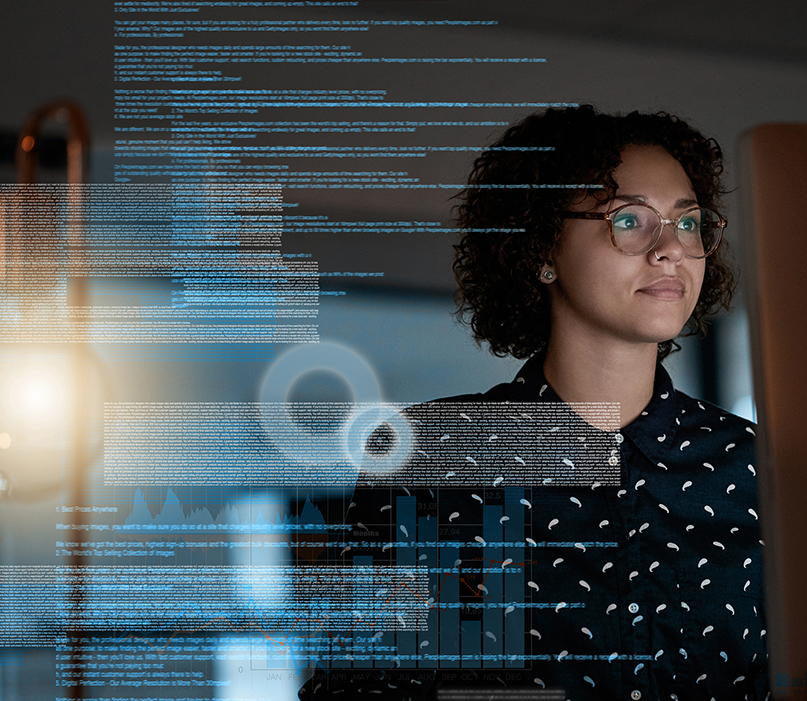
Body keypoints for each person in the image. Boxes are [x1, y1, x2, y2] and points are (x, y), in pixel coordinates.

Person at [300, 106, 767, 701]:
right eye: (629, 220)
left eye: (689, 223)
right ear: (541, 246)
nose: (670, 249)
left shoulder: (754, 465)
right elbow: (359, 687)